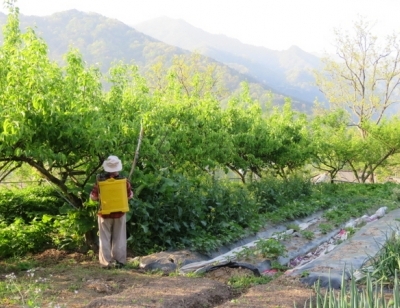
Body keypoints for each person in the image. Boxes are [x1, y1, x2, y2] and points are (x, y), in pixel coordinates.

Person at [90, 155, 133, 269]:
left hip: (104, 214)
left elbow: (93, 197)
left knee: (104, 239)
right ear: (118, 168)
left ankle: (106, 263)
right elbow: (129, 196)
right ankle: (120, 262)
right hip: (120, 213)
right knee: (119, 238)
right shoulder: (124, 182)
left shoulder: (99, 182)